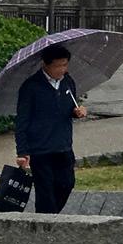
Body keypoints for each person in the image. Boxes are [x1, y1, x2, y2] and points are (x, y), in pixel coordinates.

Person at [14, 43, 86, 214]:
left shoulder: (68, 82)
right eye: (58, 66)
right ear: (45, 65)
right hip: (41, 149)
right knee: (45, 192)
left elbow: (70, 109)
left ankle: (49, 219)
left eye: (65, 64)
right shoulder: (31, 87)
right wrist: (22, 152)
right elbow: (22, 121)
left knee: (67, 183)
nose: (62, 69)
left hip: (63, 146)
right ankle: (46, 226)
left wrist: (78, 112)